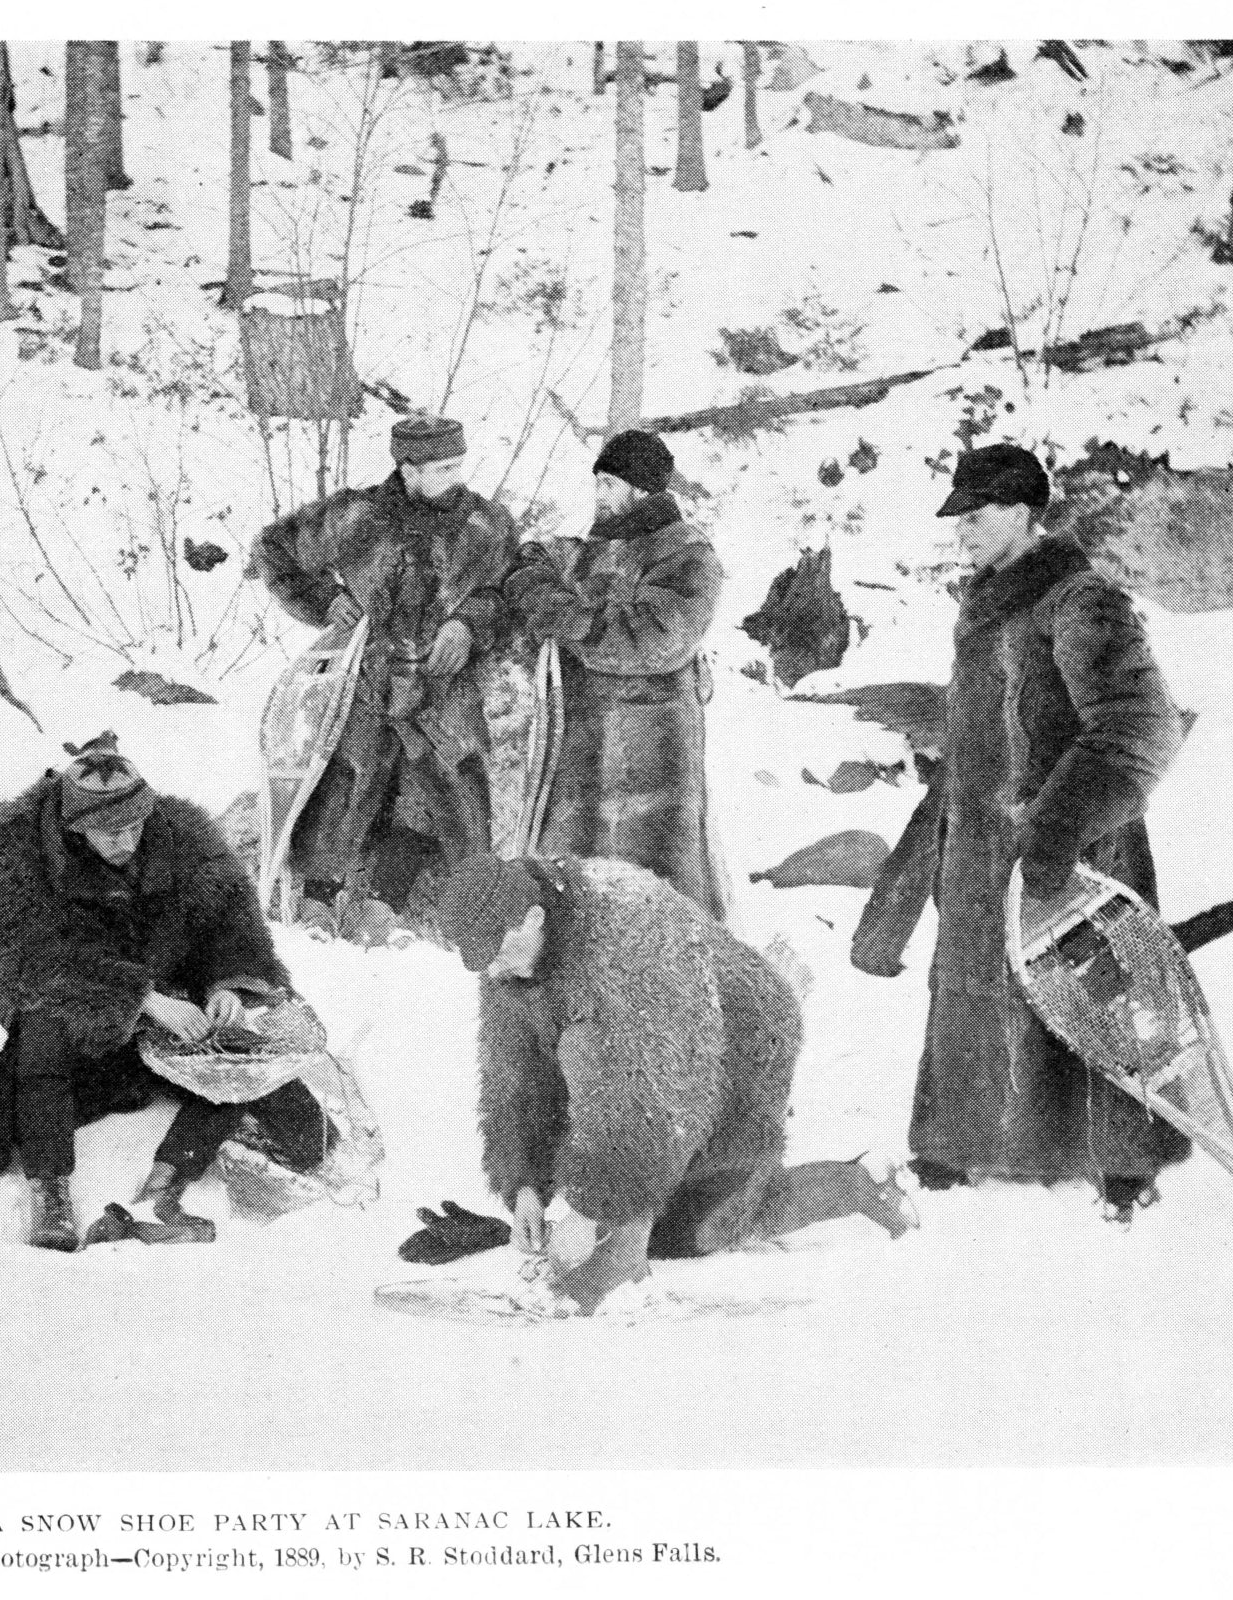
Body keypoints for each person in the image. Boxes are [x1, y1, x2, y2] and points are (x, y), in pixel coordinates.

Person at [852, 443, 1189, 1222]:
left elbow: (1139, 728)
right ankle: (964, 1141)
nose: (961, 531)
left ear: (1022, 512)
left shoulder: (1082, 601)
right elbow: (972, 749)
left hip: (1071, 850)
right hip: (981, 851)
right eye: (957, 516)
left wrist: (1055, 831)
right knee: (981, 992)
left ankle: (1118, 1161)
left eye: (976, 515)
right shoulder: (991, 606)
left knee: (1087, 997)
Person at [436, 854, 914, 1314]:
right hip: (662, 1045)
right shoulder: (506, 951)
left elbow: (642, 1091)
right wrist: (525, 1186)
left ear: (533, 918)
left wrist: (587, 1208)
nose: (494, 971)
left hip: (744, 1037)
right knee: (682, 1233)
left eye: (498, 954)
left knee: (708, 1207)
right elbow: (514, 1079)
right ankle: (862, 1182)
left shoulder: (621, 934)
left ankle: (622, 1264)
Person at [0, 734, 329, 1252]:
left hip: (175, 995)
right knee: (34, 1053)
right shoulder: (20, 855)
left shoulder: (183, 837)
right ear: (75, 827)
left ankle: (167, 1183)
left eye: (134, 826)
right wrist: (141, 999)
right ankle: (51, 1190)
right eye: (107, 832)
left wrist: (228, 983)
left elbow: (230, 925)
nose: (125, 841)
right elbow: (24, 960)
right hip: (76, 1002)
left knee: (267, 1086)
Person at [251, 415, 518, 912]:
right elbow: (274, 549)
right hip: (365, 691)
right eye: (440, 469)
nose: (454, 479)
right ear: (408, 469)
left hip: (448, 697)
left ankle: (459, 914)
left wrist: (469, 624)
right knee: (344, 799)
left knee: (458, 811)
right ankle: (321, 907)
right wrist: (324, 600)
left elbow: (509, 589)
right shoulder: (355, 516)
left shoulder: (488, 525)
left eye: (458, 466)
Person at [505, 428, 729, 919]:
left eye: (608, 484)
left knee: (662, 897)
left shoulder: (689, 557)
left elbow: (648, 640)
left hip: (652, 752)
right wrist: (546, 598)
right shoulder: (593, 548)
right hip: (582, 753)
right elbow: (529, 561)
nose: (599, 495)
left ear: (641, 488)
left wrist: (565, 617)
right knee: (577, 893)